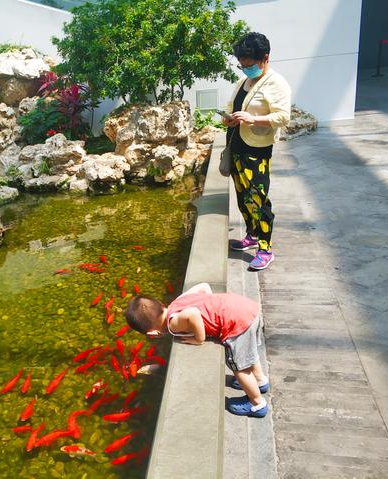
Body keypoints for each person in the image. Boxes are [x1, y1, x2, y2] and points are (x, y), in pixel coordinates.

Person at [124, 283, 270, 417]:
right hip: (247, 308)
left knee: (239, 367)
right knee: (248, 354)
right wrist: (209, 305)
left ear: (152, 334)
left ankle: (256, 403)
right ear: (161, 304)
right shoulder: (176, 303)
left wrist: (198, 339)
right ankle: (260, 380)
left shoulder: (173, 323)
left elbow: (193, 313)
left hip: (237, 323)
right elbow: (204, 287)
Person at [222, 32, 291, 270]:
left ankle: (265, 248)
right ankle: (252, 235)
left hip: (257, 151)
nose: (245, 69)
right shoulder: (244, 82)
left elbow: (283, 116)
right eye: (241, 65)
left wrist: (253, 119)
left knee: (258, 199)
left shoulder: (276, 82)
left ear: (265, 57)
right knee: (243, 197)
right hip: (238, 146)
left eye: (249, 65)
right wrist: (229, 118)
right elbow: (232, 105)